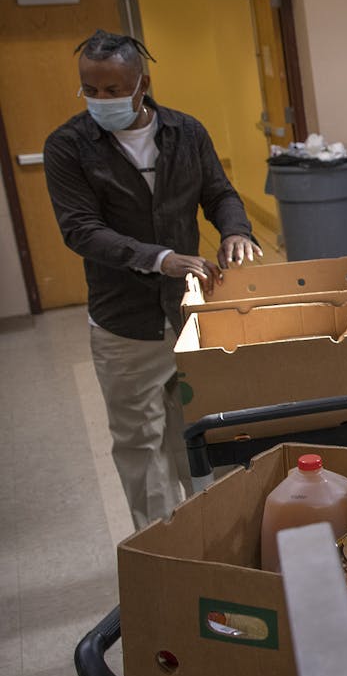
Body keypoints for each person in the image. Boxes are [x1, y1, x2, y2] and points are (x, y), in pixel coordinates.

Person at [45, 30, 262, 531]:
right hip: (126, 323)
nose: (102, 100)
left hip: (190, 311)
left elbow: (219, 192)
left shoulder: (186, 132)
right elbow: (82, 230)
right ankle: (163, 549)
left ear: (143, 83)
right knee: (141, 443)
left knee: (201, 428)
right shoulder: (68, 147)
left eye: (114, 89)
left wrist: (234, 230)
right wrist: (160, 258)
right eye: (91, 90)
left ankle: (214, 531)